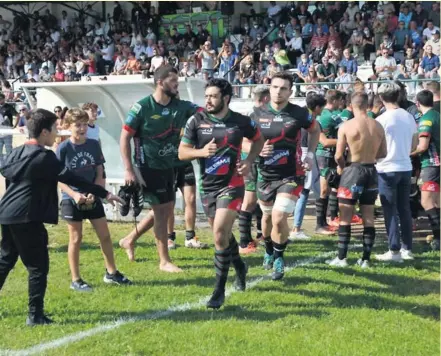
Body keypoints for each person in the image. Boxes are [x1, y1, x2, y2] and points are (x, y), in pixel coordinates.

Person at [0, 109, 122, 325]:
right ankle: (35, 315)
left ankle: (35, 314)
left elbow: (5, 171)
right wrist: (106, 193)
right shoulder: (44, 157)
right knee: (38, 267)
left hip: (7, 213)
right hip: (27, 216)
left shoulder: (16, 152)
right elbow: (71, 177)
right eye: (55, 129)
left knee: (6, 260)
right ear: (45, 132)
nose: (58, 133)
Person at [179, 78, 264, 308]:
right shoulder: (195, 121)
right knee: (223, 236)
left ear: (225, 98)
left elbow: (258, 139)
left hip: (232, 184)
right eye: (206, 96)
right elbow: (182, 153)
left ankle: (218, 291)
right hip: (208, 186)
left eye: (213, 96)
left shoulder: (241, 121)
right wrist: (201, 152)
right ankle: (240, 267)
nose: (208, 100)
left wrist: (249, 162)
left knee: (218, 234)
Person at [119, 65, 199, 272]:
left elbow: (204, 112)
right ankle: (164, 261)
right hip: (148, 167)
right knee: (161, 212)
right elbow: (124, 137)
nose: (176, 85)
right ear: (160, 82)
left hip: (169, 166)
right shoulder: (142, 107)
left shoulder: (180, 106)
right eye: (173, 81)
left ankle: (129, 239)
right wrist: (128, 169)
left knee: (165, 209)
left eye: (178, 81)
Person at [254, 72, 320, 280]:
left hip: (292, 174)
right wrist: (256, 151)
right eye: (275, 87)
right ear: (269, 88)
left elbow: (315, 130)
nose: (278, 92)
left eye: (283, 88)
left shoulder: (299, 113)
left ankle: (279, 257)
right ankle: (268, 250)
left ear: (290, 92)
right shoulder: (257, 114)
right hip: (265, 174)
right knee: (266, 218)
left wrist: (310, 154)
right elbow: (244, 140)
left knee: (279, 216)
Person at [57, 108, 131, 291]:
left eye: (84, 124)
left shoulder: (93, 144)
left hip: (92, 195)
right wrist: (74, 195)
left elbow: (99, 171)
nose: (82, 128)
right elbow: (57, 178)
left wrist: (95, 193)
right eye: (78, 125)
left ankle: (112, 273)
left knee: (105, 235)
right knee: (76, 238)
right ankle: (76, 279)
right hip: (71, 198)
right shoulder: (63, 148)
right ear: (68, 126)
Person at [327, 92, 387, 268]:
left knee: (345, 215)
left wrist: (342, 165)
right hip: (371, 170)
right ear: (368, 106)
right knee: (368, 215)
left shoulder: (347, 126)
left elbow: (338, 154)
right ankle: (366, 259)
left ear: (351, 106)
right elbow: (383, 153)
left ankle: (341, 258)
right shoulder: (378, 125)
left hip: (353, 169)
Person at [374, 82, 417, 262]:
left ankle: (394, 250)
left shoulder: (381, 120)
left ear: (381, 98)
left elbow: (376, 147)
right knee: (404, 208)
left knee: (390, 210)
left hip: (386, 168)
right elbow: (414, 145)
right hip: (405, 166)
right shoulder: (409, 117)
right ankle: (407, 248)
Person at [238, 85, 270, 254]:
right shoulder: (252, 116)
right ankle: (243, 241)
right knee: (249, 200)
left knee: (261, 198)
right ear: (265, 98)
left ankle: (260, 234)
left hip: (263, 163)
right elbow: (242, 142)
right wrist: (256, 151)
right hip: (252, 163)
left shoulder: (267, 115)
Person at [289, 93, 325, 240]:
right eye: (321, 107)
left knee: (316, 189)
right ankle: (296, 228)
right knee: (304, 191)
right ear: (317, 107)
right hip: (305, 154)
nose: (322, 110)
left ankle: (321, 223)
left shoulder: (301, 115)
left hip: (303, 153)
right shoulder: (309, 119)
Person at [411, 90, 440, 251]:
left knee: (426, 201)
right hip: (438, 164)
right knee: (437, 201)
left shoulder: (426, 120)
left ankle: (438, 238)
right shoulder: (437, 115)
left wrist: (409, 153)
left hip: (431, 163)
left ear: (418, 104)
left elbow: (422, 146)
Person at [315, 90, 342, 235]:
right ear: (336, 100)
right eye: (340, 100)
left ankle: (330, 219)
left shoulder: (336, 116)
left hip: (332, 155)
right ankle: (320, 224)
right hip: (324, 155)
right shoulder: (325, 117)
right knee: (324, 189)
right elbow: (324, 142)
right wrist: (344, 141)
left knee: (334, 186)